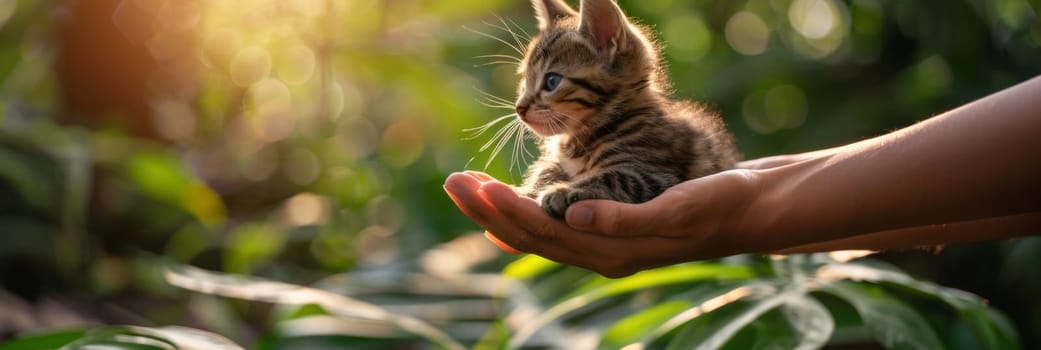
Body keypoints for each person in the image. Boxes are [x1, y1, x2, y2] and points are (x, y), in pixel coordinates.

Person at [443, 75, 1041, 278]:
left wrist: (753, 207)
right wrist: (762, 197)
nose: (522, 106)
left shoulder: (646, 134)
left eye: (546, 85)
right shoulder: (579, 139)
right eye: (526, 88)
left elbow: (640, 185)